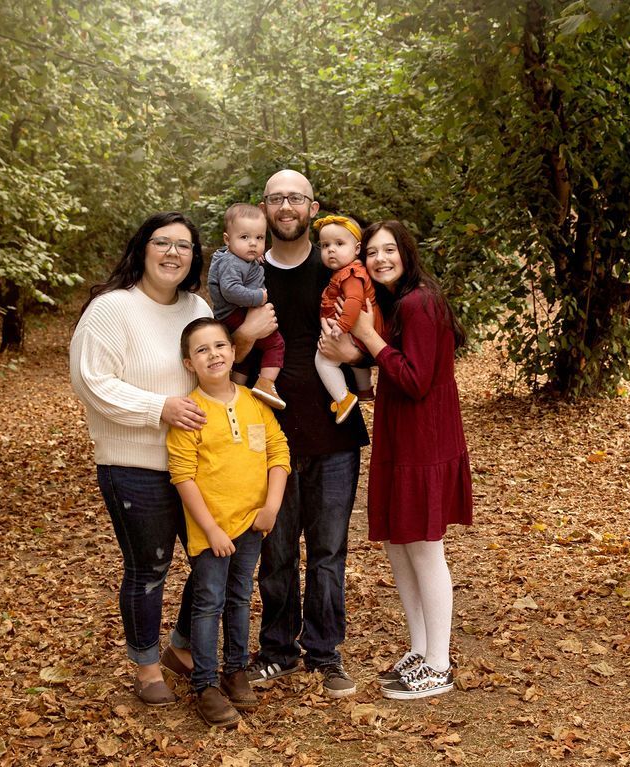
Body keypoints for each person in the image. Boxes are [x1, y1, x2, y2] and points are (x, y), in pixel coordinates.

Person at [232, 169, 369, 698]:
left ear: (313, 208)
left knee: (330, 550)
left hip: (335, 434)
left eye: (296, 198)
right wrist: (245, 335)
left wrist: (352, 353)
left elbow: (370, 338)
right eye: (276, 198)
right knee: (278, 549)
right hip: (269, 438)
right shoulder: (244, 274)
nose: (286, 206)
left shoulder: (336, 263)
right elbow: (224, 359)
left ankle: (325, 651)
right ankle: (276, 650)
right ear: (264, 209)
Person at [69, 211, 212, 707]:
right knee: (150, 567)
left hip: (194, 465)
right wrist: (161, 408)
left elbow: (209, 365)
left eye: (184, 245)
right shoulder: (111, 309)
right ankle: (147, 665)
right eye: (162, 243)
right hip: (134, 465)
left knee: (212, 559)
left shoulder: (195, 306)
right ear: (142, 249)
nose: (173, 253)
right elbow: (93, 383)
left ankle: (181, 646)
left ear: (195, 258)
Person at [349, 220, 473, 700]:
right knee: (399, 545)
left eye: (389, 250)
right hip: (401, 434)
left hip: (425, 438)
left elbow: (417, 379)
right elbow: (397, 373)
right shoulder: (399, 302)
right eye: (372, 252)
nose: (380, 259)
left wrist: (368, 338)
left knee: (423, 547)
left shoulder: (420, 301)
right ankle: (421, 649)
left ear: (406, 251)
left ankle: (439, 664)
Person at [166, 318, 290, 727]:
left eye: (220, 346)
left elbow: (278, 452)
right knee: (208, 604)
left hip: (253, 525)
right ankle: (205, 684)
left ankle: (235, 671)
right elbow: (182, 475)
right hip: (211, 531)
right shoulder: (190, 414)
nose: (213, 354)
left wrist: (271, 506)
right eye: (202, 350)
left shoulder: (255, 402)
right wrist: (211, 530)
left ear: (234, 352)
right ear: (189, 364)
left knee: (239, 599)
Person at [208, 203, 287, 409]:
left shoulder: (239, 258)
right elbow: (230, 290)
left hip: (235, 314)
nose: (253, 244)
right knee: (275, 343)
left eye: (259, 238)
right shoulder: (232, 262)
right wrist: (258, 297)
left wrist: (255, 259)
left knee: (249, 353)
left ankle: (235, 387)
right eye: (244, 238)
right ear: (228, 240)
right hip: (235, 313)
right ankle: (266, 384)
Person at [312, 214, 383, 424]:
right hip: (355, 330)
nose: (331, 249)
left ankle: (343, 397)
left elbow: (353, 301)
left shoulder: (350, 274)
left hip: (354, 328)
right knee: (354, 358)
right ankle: (365, 390)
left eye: (339, 244)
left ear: (357, 248)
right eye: (325, 245)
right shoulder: (345, 271)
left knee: (323, 360)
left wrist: (342, 325)